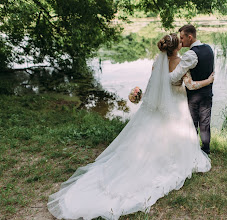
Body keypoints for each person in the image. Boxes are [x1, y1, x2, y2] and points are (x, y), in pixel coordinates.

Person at [47, 33, 213, 220]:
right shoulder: (181, 62)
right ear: (176, 48)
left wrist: (140, 95)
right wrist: (208, 81)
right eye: (180, 41)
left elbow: (153, 87)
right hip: (175, 107)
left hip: (157, 108)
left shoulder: (156, 64)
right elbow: (190, 85)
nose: (183, 42)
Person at [169, 24, 214, 155]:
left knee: (193, 123)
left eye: (182, 38)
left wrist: (161, 77)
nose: (181, 41)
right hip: (208, 93)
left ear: (190, 37)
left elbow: (175, 77)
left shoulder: (190, 55)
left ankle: (193, 150)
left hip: (194, 95)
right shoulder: (209, 48)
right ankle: (206, 149)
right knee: (205, 123)